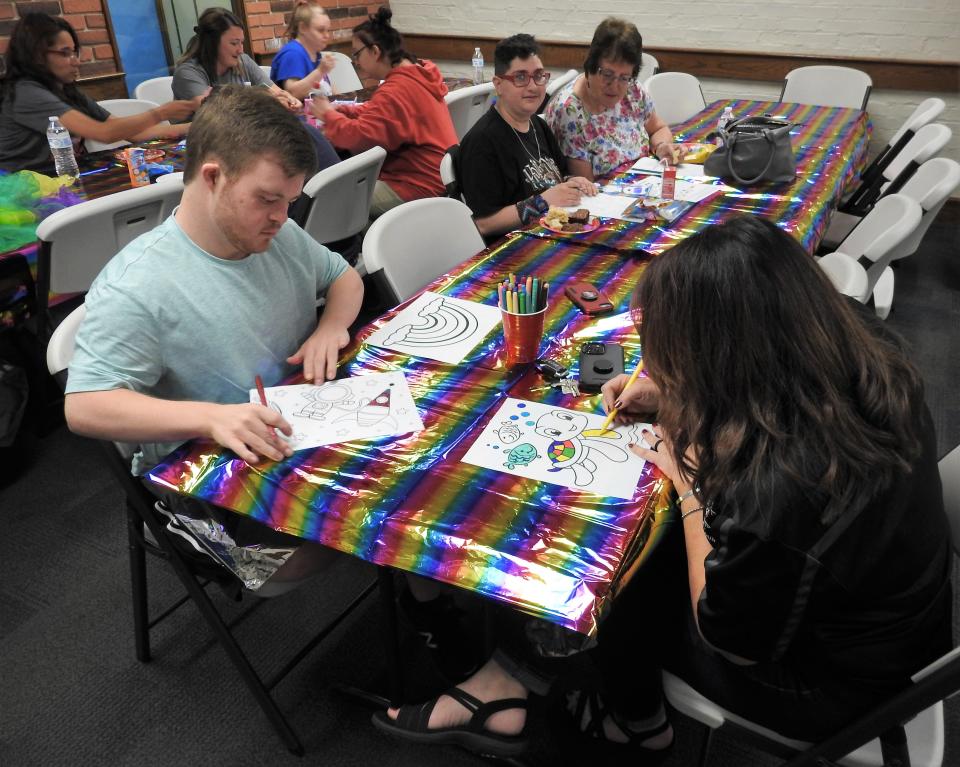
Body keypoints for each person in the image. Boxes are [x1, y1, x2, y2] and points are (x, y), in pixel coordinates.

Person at [372, 215, 951, 756]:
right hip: (895, 616)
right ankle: (517, 680)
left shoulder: (780, 491)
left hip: (827, 686)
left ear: (722, 359)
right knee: (639, 532)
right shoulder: (865, 349)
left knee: (623, 562)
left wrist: (687, 480)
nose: (660, 366)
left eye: (674, 357)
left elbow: (727, 635)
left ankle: (630, 719)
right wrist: (675, 396)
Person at [64, 85, 365, 596]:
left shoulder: (274, 234)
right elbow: (85, 407)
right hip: (197, 485)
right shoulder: (138, 285)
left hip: (285, 433)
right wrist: (211, 415)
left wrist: (330, 327)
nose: (281, 217)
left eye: (289, 201)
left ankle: (427, 613)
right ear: (212, 177)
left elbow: (344, 277)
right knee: (367, 525)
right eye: (268, 200)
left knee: (409, 487)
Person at [0, 13, 199, 173]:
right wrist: (161, 113)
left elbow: (131, 131)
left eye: (75, 52)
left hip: (61, 180)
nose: (76, 60)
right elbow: (105, 133)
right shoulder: (26, 93)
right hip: (22, 195)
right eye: (65, 53)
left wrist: (198, 125)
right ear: (37, 56)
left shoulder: (66, 91)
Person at [308, 7, 457, 219]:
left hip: (417, 185)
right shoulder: (417, 72)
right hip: (439, 177)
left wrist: (329, 116)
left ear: (375, 51)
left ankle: (356, 251)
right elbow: (380, 112)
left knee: (330, 203)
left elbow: (360, 138)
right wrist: (342, 110)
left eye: (357, 54)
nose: (356, 62)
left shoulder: (397, 88)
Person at [457, 34, 597, 243]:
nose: (533, 86)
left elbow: (554, 178)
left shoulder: (538, 125)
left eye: (539, 75)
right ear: (499, 84)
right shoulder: (482, 142)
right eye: (520, 77)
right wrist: (543, 202)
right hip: (514, 250)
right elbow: (483, 224)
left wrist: (572, 182)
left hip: (554, 234)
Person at [544, 18, 681, 180]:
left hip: (646, 186)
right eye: (607, 75)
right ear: (591, 67)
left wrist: (661, 146)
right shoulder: (570, 112)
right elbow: (586, 187)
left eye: (624, 77)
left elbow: (658, 128)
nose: (615, 86)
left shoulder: (633, 90)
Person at [172, 7, 301, 112]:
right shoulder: (187, 73)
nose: (241, 50)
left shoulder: (243, 61)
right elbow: (215, 113)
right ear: (212, 44)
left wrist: (288, 99)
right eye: (234, 43)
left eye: (241, 42)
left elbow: (275, 92)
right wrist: (266, 99)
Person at [270, 1, 336, 101]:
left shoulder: (315, 53)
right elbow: (293, 93)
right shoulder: (293, 53)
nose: (327, 35)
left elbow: (328, 89)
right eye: (320, 30)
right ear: (303, 28)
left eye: (328, 30)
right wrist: (320, 71)